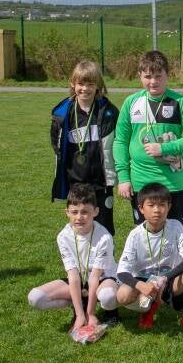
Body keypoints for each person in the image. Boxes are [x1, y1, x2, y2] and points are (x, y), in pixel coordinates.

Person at [113, 50, 183, 225]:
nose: (153, 82)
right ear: (140, 75)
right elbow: (120, 141)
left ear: (168, 75)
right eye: (147, 76)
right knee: (145, 234)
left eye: (158, 76)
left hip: (173, 182)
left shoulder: (180, 101)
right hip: (141, 181)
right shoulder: (131, 102)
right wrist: (123, 177)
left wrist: (164, 148)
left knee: (175, 233)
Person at [115, 183, 183, 337]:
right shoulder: (135, 235)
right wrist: (142, 286)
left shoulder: (176, 226)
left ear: (169, 207)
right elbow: (122, 272)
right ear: (141, 208)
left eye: (162, 205)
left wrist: (165, 278)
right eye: (151, 205)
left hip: (168, 280)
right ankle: (147, 309)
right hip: (144, 281)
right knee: (123, 295)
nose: (157, 210)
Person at [28, 183, 119, 332]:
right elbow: (73, 275)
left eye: (85, 212)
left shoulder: (104, 237)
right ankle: (79, 305)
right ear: (67, 212)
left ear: (95, 212)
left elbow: (95, 277)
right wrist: (80, 315)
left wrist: (90, 314)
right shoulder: (63, 236)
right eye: (74, 212)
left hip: (102, 279)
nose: (79, 217)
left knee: (107, 296)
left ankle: (110, 311)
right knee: (35, 298)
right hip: (79, 279)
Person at [50, 61, 119, 234]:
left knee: (104, 229)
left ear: (98, 86)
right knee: (80, 227)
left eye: (90, 84)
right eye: (81, 83)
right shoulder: (63, 114)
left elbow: (118, 144)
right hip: (75, 182)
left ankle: (105, 253)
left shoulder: (109, 112)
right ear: (72, 84)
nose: (85, 89)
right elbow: (56, 145)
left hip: (101, 183)